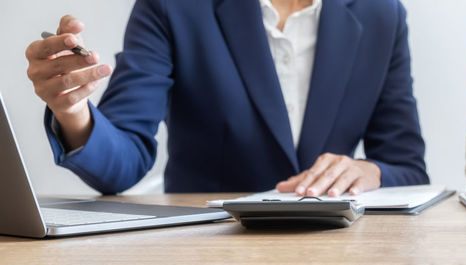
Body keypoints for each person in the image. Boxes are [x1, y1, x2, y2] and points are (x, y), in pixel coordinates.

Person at [24, 0, 428, 196]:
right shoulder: (172, 7)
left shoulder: (381, 13)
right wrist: (73, 109)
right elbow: (122, 161)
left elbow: (406, 167)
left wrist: (371, 172)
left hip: (338, 250)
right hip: (206, 246)